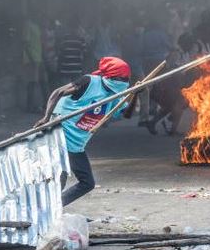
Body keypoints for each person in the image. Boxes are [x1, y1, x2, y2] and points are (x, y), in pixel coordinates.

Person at [35, 56, 136, 206]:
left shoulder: (116, 95)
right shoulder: (89, 82)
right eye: (121, 79)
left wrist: (135, 95)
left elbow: (126, 114)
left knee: (87, 183)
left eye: (126, 79)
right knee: (60, 177)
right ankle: (48, 210)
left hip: (77, 144)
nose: (124, 83)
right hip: (62, 134)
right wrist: (46, 117)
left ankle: (54, 207)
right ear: (110, 76)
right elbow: (58, 92)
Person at [22, 16, 47, 113]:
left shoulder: (37, 26)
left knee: (42, 82)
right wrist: (31, 59)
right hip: (32, 60)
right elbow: (25, 43)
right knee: (33, 83)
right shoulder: (28, 25)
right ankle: (31, 106)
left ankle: (41, 104)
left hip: (38, 59)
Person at [55, 17, 87, 88]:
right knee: (76, 91)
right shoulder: (81, 39)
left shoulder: (64, 38)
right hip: (77, 69)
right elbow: (84, 54)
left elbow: (60, 54)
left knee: (65, 91)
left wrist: (58, 68)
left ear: (69, 27)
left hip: (65, 70)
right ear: (78, 27)